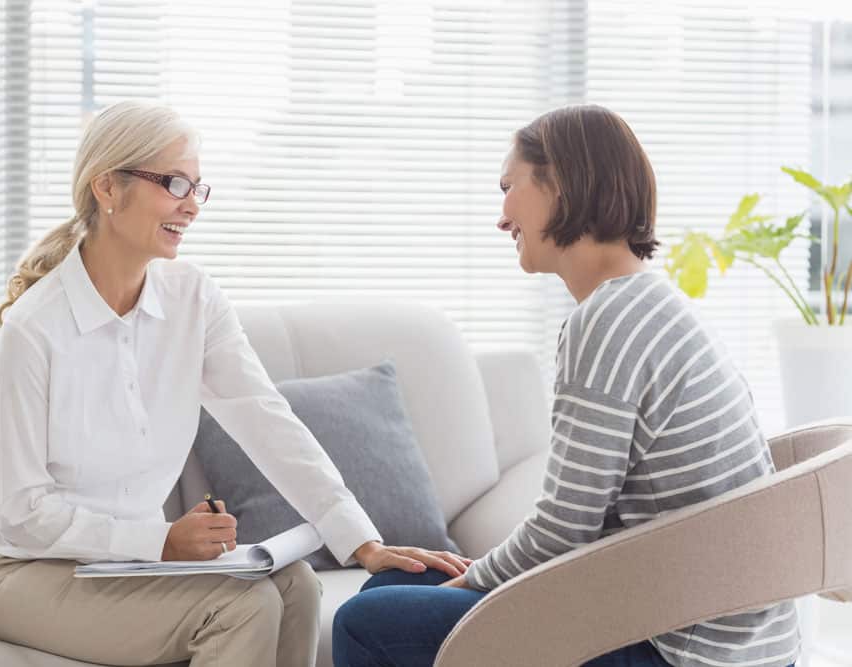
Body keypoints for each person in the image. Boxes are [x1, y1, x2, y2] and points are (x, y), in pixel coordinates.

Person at [0, 100, 469, 667]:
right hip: (17, 571)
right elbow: (21, 513)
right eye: (175, 183)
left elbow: (265, 418)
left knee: (297, 585)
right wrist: (159, 543)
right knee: (242, 607)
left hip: (123, 564)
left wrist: (360, 540)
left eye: (198, 187)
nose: (191, 206)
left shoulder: (192, 299)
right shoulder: (32, 333)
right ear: (107, 187)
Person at [331, 105, 799, 667]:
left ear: (562, 183)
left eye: (510, 186)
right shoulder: (651, 304)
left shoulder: (609, 321)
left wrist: (469, 588)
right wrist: (467, 581)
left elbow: (563, 531)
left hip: (680, 650)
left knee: (365, 622)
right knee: (392, 588)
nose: (502, 216)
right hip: (714, 636)